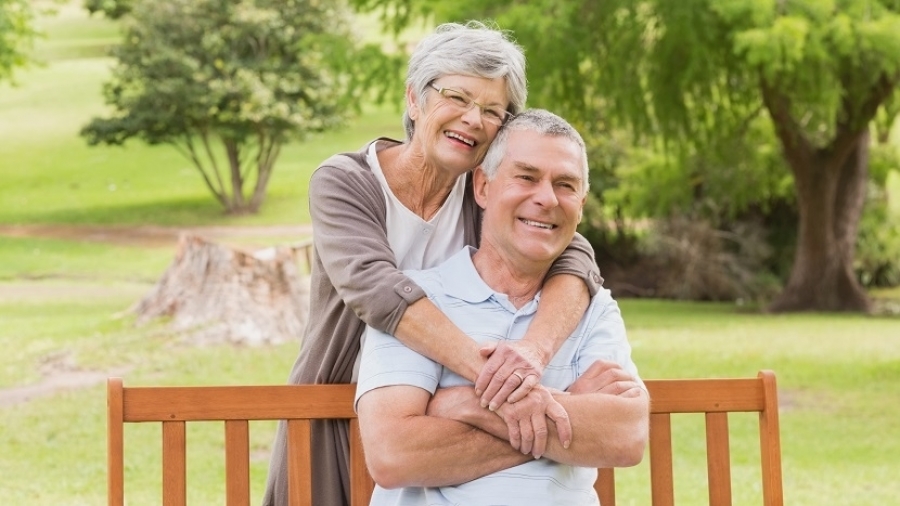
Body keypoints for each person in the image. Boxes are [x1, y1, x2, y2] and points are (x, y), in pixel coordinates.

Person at [263, 22, 603, 506]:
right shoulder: (346, 182)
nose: (472, 119)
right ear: (414, 99)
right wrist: (504, 384)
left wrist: (533, 353)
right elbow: (378, 292)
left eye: (492, 111)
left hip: (443, 418)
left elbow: (575, 254)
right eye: (457, 97)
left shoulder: (484, 195)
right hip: (338, 409)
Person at [355, 109, 649, 505]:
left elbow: (624, 437)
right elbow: (394, 456)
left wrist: (470, 406)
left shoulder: (593, 308)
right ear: (483, 187)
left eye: (565, 184)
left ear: (581, 204)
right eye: (526, 177)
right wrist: (567, 407)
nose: (546, 198)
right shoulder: (421, 302)